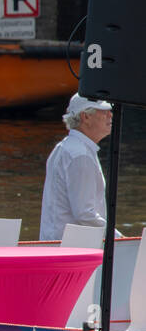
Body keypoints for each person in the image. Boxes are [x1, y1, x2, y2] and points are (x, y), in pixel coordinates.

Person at [40, 93, 114, 241]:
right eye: (103, 111)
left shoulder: (65, 147)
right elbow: (84, 213)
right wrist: (116, 237)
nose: (110, 115)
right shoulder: (81, 155)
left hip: (57, 244)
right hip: (70, 250)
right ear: (85, 117)